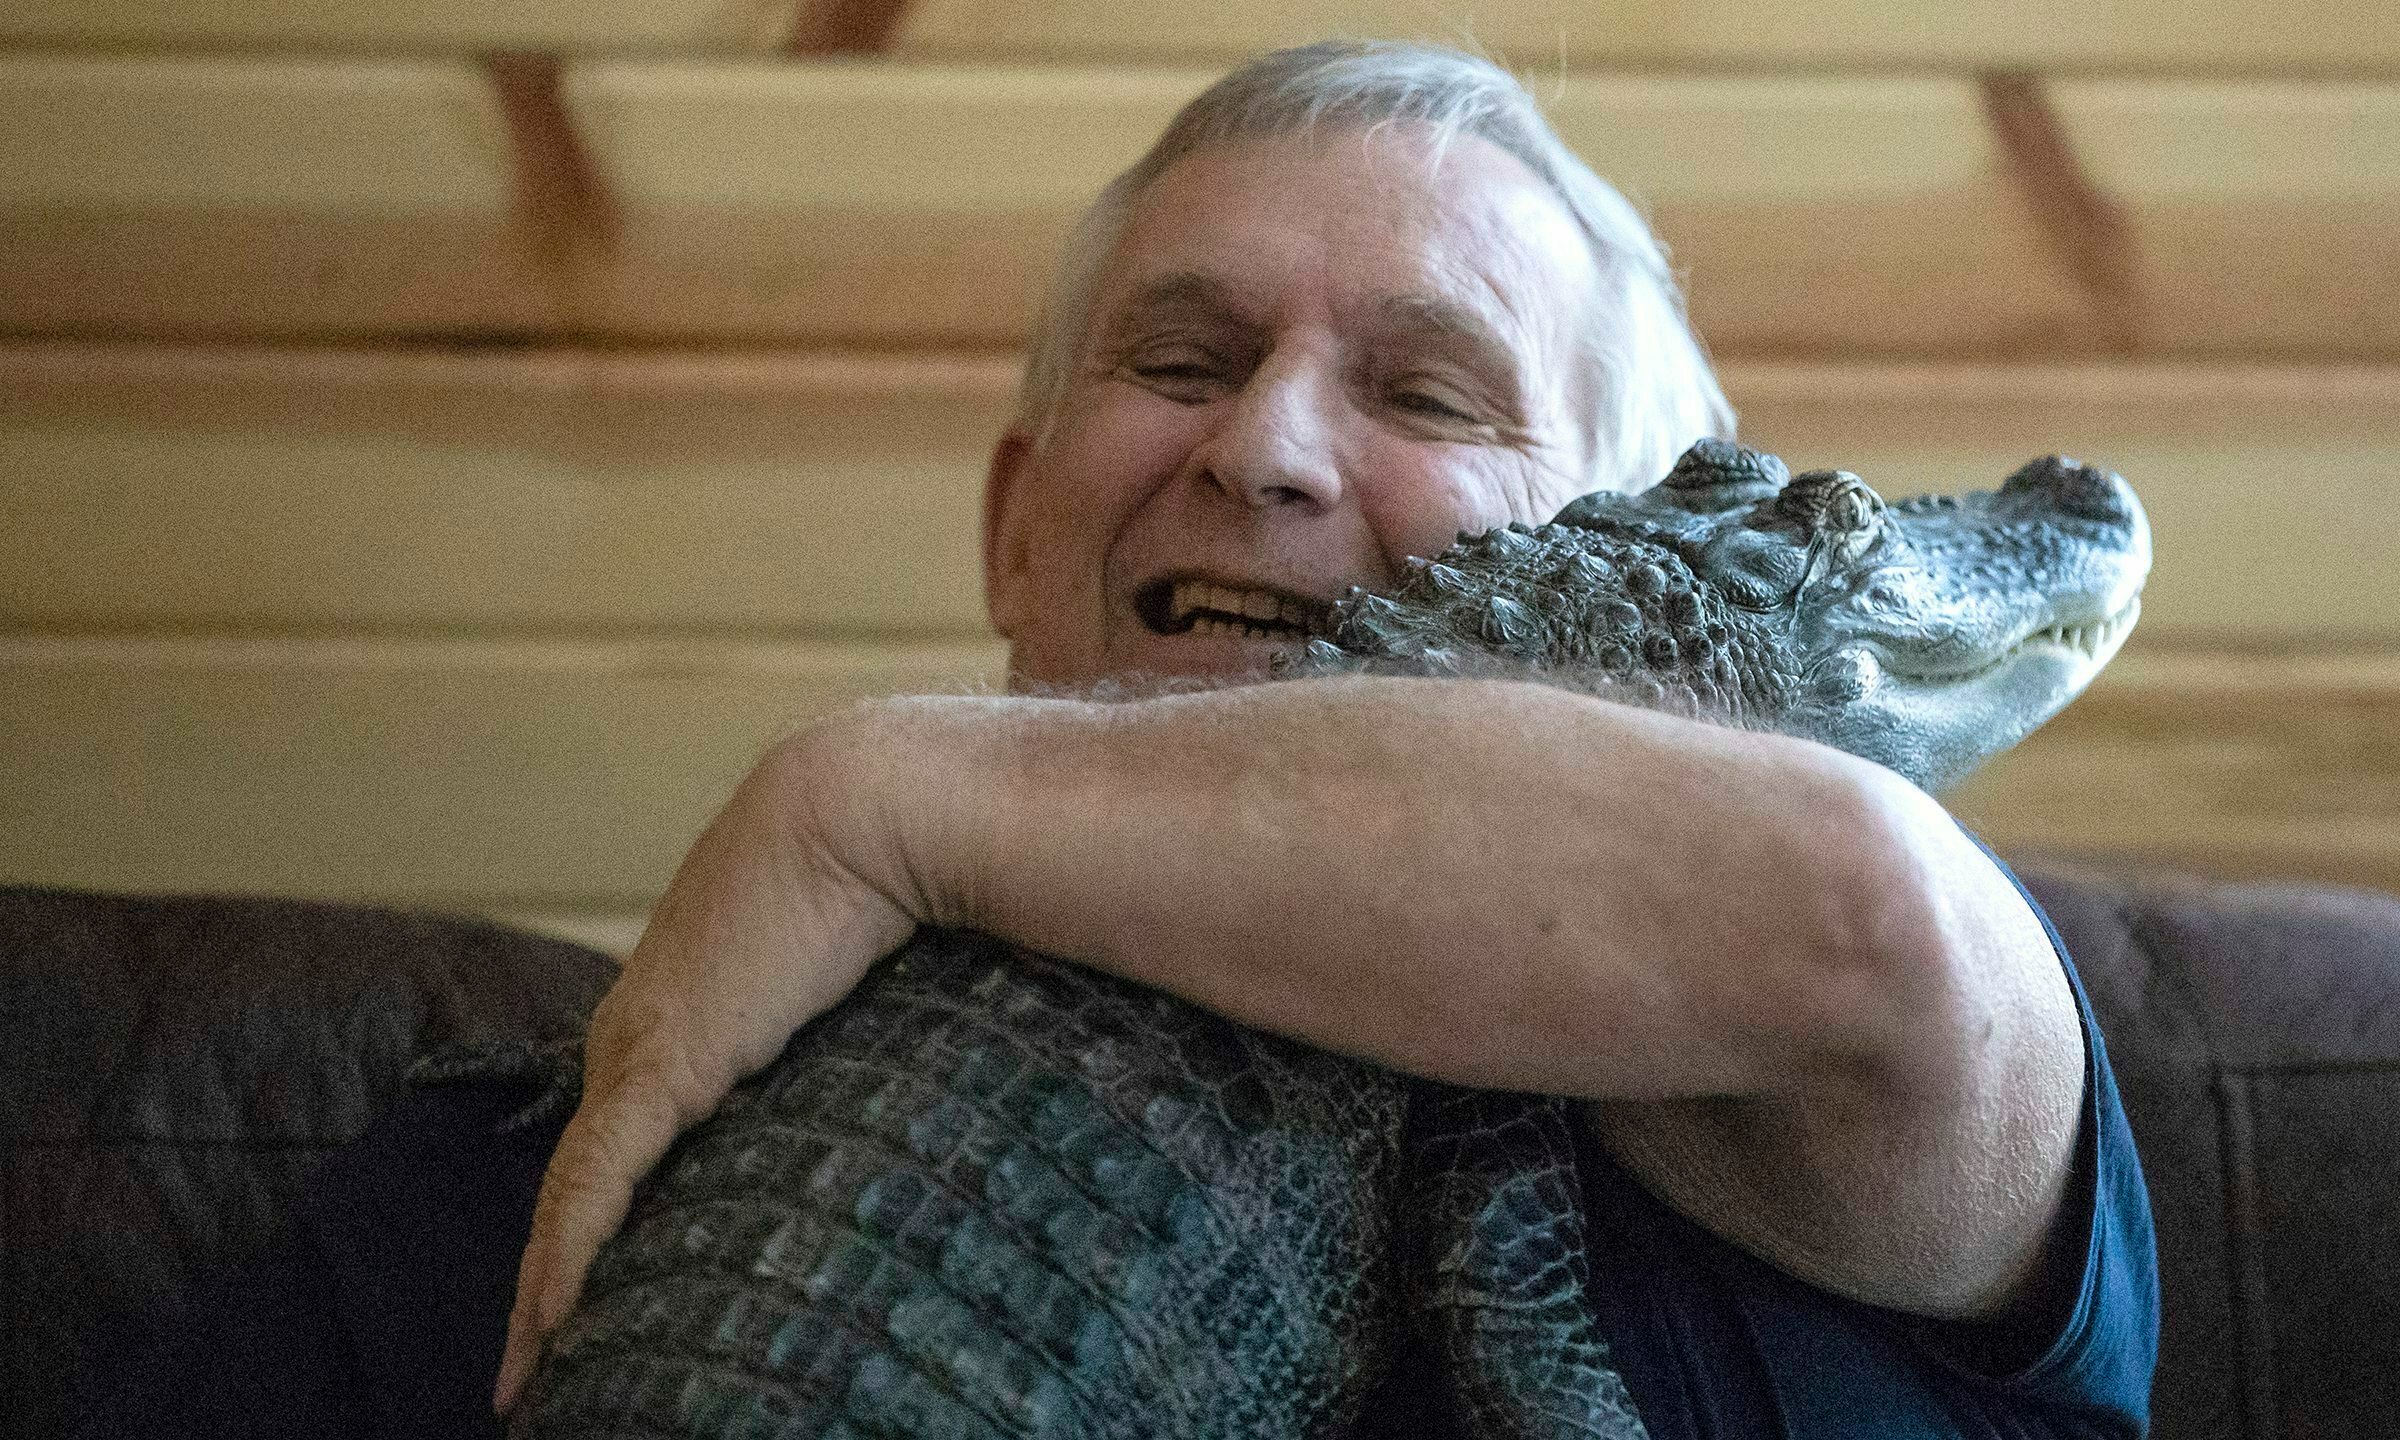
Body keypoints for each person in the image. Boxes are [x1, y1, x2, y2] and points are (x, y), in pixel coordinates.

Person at [498, 41, 2158, 1436]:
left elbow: (1847, 916)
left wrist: (870, 791)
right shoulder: (523, 1150)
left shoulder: (1910, 1077)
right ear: (1017, 532)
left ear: (1633, 528)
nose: (1267, 448)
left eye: (1432, 395)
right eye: (1179, 361)